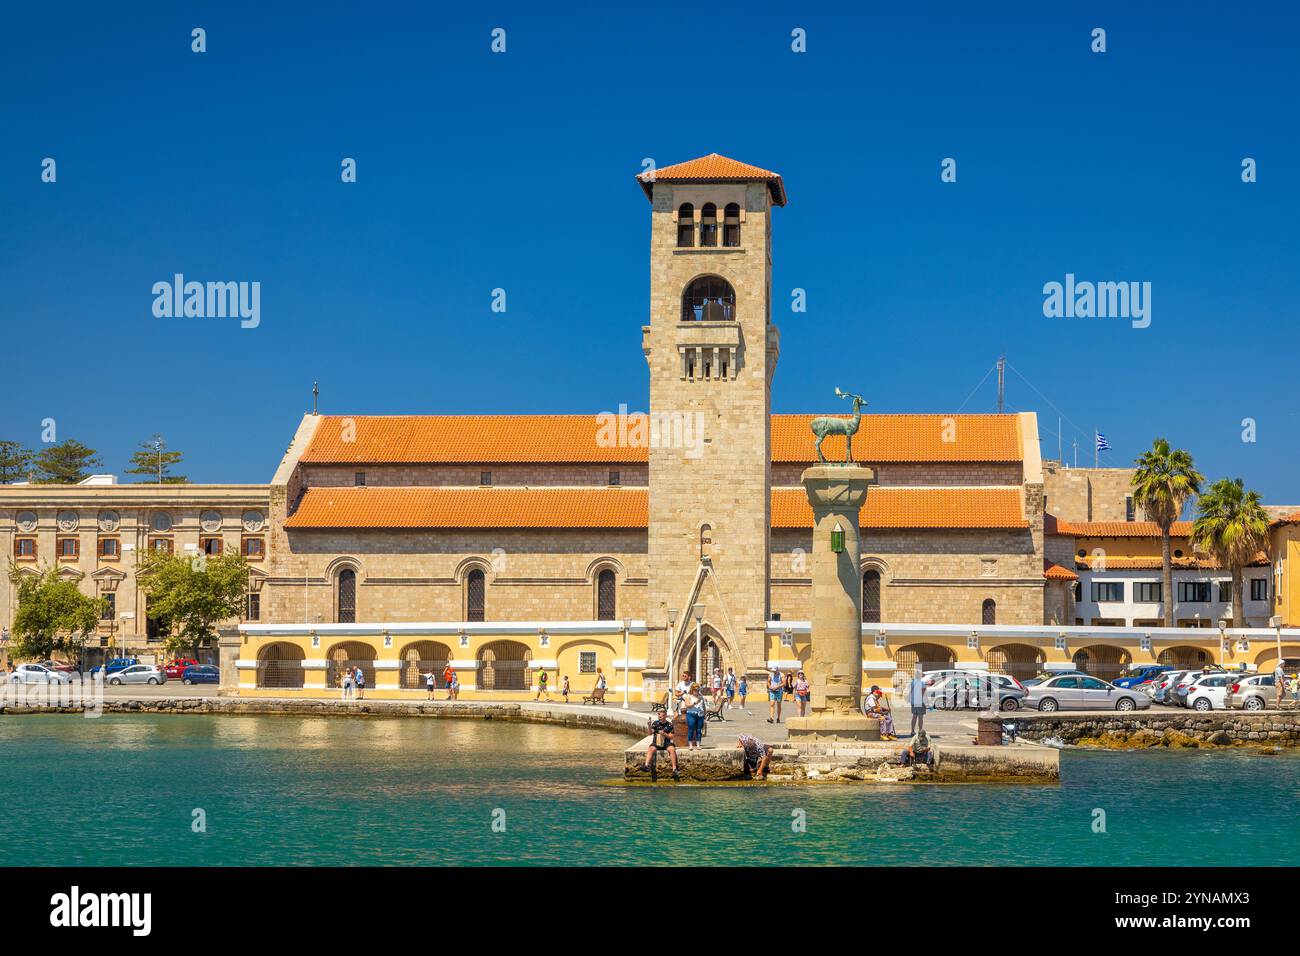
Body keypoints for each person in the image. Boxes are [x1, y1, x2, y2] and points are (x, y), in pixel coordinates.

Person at [644, 707, 679, 779]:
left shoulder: (669, 725)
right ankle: (646, 765)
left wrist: (664, 734)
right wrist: (649, 726)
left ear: (665, 715)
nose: (659, 717)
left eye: (661, 715)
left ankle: (674, 769)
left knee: (672, 749)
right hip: (656, 742)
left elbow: (672, 737)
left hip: (666, 742)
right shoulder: (655, 723)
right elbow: (650, 733)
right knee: (651, 748)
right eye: (658, 715)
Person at [682, 682, 706, 749]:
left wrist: (705, 714)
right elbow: (687, 705)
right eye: (696, 690)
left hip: (700, 715)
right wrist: (695, 703)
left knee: (699, 730)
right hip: (691, 714)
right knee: (691, 729)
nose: (697, 691)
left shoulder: (701, 697)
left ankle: (698, 745)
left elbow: (703, 706)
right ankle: (690, 745)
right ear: (692, 690)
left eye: (698, 690)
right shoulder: (689, 696)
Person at [907, 664, 927, 733]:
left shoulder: (912, 682)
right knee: (920, 717)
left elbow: (910, 691)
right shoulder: (922, 683)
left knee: (914, 716)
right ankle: (920, 731)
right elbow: (922, 693)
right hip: (919, 702)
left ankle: (912, 731)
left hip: (913, 701)